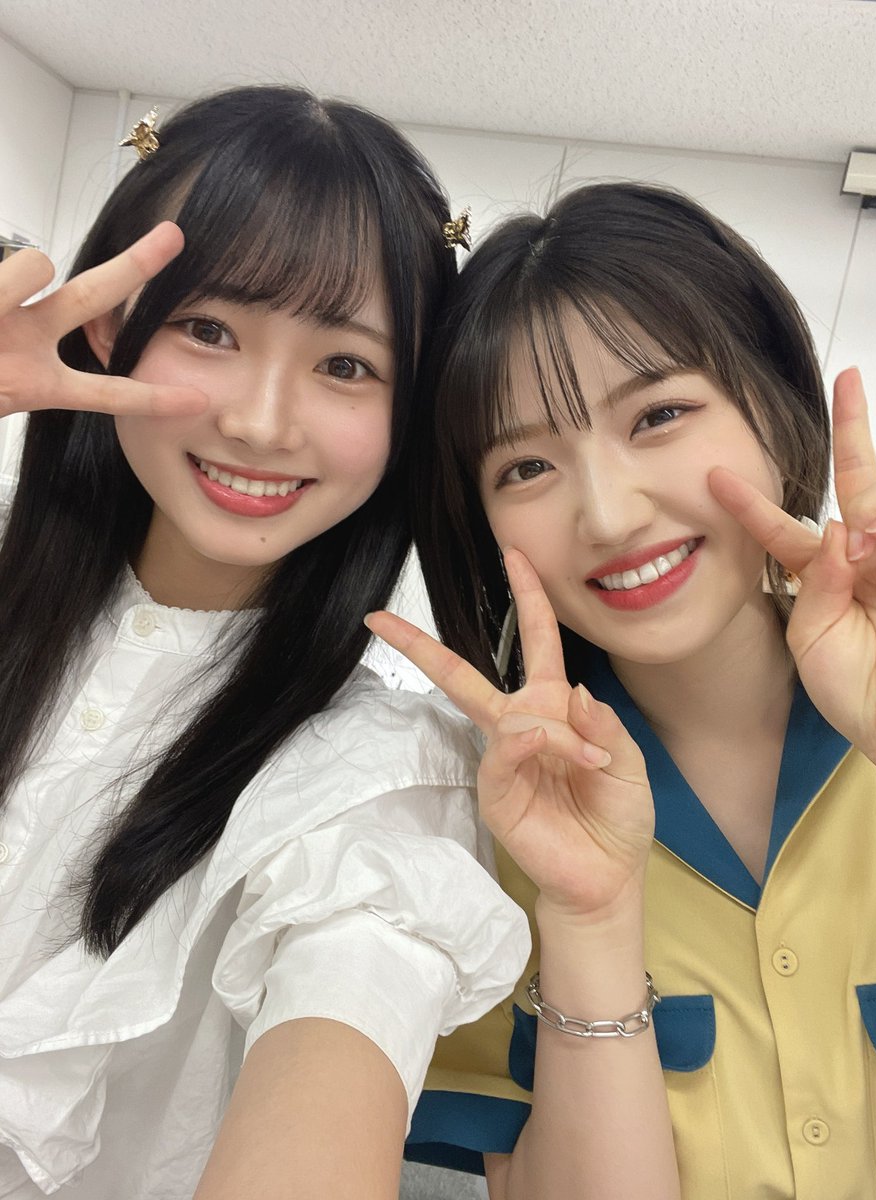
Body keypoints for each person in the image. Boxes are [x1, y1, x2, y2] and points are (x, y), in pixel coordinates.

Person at [0, 86, 529, 1199]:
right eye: (209, 330)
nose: (258, 421)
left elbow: (345, 1022)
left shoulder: (378, 773)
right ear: (112, 329)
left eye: (346, 366)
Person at [367, 182, 876, 1200]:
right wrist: (592, 921)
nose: (609, 516)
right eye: (526, 467)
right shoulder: (479, 830)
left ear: (777, 411)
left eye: (658, 415)